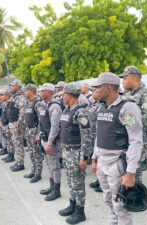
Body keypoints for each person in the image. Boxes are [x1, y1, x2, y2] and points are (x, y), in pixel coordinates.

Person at [91, 72, 143, 225]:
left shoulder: (127, 108)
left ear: (108, 87)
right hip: (102, 161)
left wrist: (131, 172)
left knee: (120, 205)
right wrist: (95, 158)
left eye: (98, 88)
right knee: (108, 200)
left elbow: (136, 140)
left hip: (116, 163)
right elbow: (99, 135)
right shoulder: (101, 108)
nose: (95, 91)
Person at [58, 83, 91, 224]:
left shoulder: (81, 112)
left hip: (76, 152)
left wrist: (84, 157)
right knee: (71, 181)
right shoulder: (66, 110)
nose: (62, 97)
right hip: (67, 151)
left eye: (63, 95)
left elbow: (86, 136)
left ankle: (80, 211)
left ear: (69, 96)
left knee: (78, 182)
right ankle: (72, 204)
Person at [120, 66, 147, 182]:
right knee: (122, 171)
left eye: (125, 78)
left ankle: (136, 198)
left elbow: (145, 119)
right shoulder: (125, 94)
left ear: (133, 79)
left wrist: (123, 119)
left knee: (134, 174)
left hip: (137, 140)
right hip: (122, 139)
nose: (122, 81)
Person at [37, 83, 62, 201]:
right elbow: (42, 122)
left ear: (50, 92)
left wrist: (50, 143)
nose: (40, 93)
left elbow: (55, 126)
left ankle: (56, 190)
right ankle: (52, 186)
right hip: (44, 138)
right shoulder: (43, 105)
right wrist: (39, 134)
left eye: (43, 91)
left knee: (55, 166)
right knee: (49, 164)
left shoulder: (55, 106)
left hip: (51, 141)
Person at [23, 84, 44, 183]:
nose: (24, 92)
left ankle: (38, 173)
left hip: (35, 131)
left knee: (37, 153)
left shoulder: (38, 103)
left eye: (26, 90)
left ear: (31, 91)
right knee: (31, 152)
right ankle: (33, 170)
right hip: (29, 130)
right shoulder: (28, 102)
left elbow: (41, 120)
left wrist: (38, 134)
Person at [8, 79, 26, 172]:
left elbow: (22, 113)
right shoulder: (13, 97)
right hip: (12, 123)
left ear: (18, 86)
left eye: (13, 85)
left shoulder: (21, 97)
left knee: (18, 143)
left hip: (17, 124)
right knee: (15, 143)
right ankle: (18, 160)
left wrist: (19, 125)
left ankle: (20, 163)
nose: (11, 87)